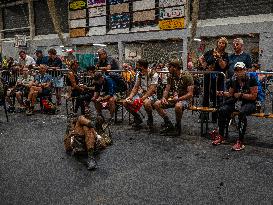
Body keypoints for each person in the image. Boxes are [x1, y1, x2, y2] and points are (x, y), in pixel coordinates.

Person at [212, 62, 258, 151]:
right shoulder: (234, 79)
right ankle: (221, 136)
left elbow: (254, 96)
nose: (239, 72)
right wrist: (221, 93)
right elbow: (231, 94)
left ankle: (240, 141)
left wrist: (241, 95)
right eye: (237, 70)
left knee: (242, 112)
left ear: (245, 70)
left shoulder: (251, 78)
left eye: (241, 70)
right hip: (237, 102)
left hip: (250, 103)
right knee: (222, 110)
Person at [154, 60, 194, 136]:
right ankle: (168, 124)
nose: (168, 68)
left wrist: (178, 99)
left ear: (175, 68)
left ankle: (177, 127)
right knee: (157, 104)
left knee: (178, 106)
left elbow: (190, 94)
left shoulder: (187, 76)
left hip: (185, 99)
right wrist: (163, 98)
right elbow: (166, 89)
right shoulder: (170, 77)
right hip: (174, 98)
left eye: (170, 67)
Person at [199, 37, 229, 122]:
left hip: (219, 78)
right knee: (206, 96)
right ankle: (204, 116)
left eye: (223, 43)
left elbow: (223, 66)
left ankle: (215, 117)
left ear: (225, 45)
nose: (221, 44)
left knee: (217, 96)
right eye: (220, 42)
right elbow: (201, 58)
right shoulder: (210, 52)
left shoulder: (225, 55)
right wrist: (205, 66)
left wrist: (219, 58)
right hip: (208, 76)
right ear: (217, 43)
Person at [123, 59, 159, 128]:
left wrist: (142, 99)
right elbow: (136, 87)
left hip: (152, 95)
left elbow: (152, 89)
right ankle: (137, 118)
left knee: (146, 103)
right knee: (125, 102)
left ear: (142, 67)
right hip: (141, 94)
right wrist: (130, 97)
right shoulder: (139, 74)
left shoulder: (154, 74)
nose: (136, 67)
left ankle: (150, 118)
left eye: (137, 66)